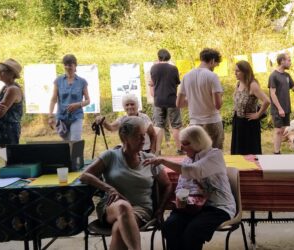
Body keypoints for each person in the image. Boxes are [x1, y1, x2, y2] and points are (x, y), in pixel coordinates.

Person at [80, 116, 172, 250]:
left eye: (144, 135)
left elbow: (167, 185)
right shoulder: (110, 156)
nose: (143, 140)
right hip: (111, 207)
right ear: (125, 137)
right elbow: (85, 175)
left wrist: (160, 209)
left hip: (141, 209)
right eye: (139, 136)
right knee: (123, 206)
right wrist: (109, 188)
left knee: (119, 228)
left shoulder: (150, 159)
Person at [143, 126, 236, 250]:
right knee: (171, 226)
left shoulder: (215, 155)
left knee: (193, 230)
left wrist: (163, 161)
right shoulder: (187, 160)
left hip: (217, 207)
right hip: (191, 207)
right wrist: (181, 197)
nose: (181, 148)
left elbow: (194, 170)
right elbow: (182, 185)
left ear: (198, 142)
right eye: (181, 143)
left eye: (185, 144)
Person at [176, 48, 224, 149]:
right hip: (212, 121)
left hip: (194, 123)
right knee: (214, 154)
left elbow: (179, 104)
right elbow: (218, 105)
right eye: (216, 65)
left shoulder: (186, 76)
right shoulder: (212, 76)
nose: (215, 67)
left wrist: (193, 99)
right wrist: (220, 96)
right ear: (212, 61)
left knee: (197, 154)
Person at [231, 61, 270, 155]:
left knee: (249, 151)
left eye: (238, 71)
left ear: (245, 72)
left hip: (248, 123)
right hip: (238, 121)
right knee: (238, 150)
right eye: (235, 71)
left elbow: (267, 101)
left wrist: (258, 114)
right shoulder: (238, 83)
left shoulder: (252, 85)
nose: (235, 73)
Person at [48, 54, 90, 141]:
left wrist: (78, 105)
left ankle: (77, 155)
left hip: (76, 117)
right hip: (61, 118)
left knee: (75, 141)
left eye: (70, 65)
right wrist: (50, 116)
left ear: (75, 66)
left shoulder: (82, 82)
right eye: (65, 65)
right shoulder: (58, 81)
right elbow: (53, 100)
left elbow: (88, 100)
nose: (67, 67)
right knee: (66, 144)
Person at [268, 53, 294, 154]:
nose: (290, 62)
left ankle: (278, 151)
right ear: (282, 61)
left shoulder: (287, 75)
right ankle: (276, 152)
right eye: (289, 60)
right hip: (278, 109)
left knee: (282, 131)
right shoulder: (273, 75)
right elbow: (272, 94)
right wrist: (279, 108)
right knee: (278, 131)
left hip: (286, 108)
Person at [149, 49, 183, 154]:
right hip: (172, 100)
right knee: (176, 125)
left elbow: (152, 85)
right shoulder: (174, 68)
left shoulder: (153, 68)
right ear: (169, 57)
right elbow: (177, 83)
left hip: (158, 100)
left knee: (158, 126)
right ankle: (180, 149)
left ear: (158, 57)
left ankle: (157, 150)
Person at [0, 58, 23, 147]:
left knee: (9, 158)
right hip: (3, 129)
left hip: (8, 131)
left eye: (2, 71)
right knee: (6, 157)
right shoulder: (5, 88)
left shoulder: (12, 89)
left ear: (11, 74)